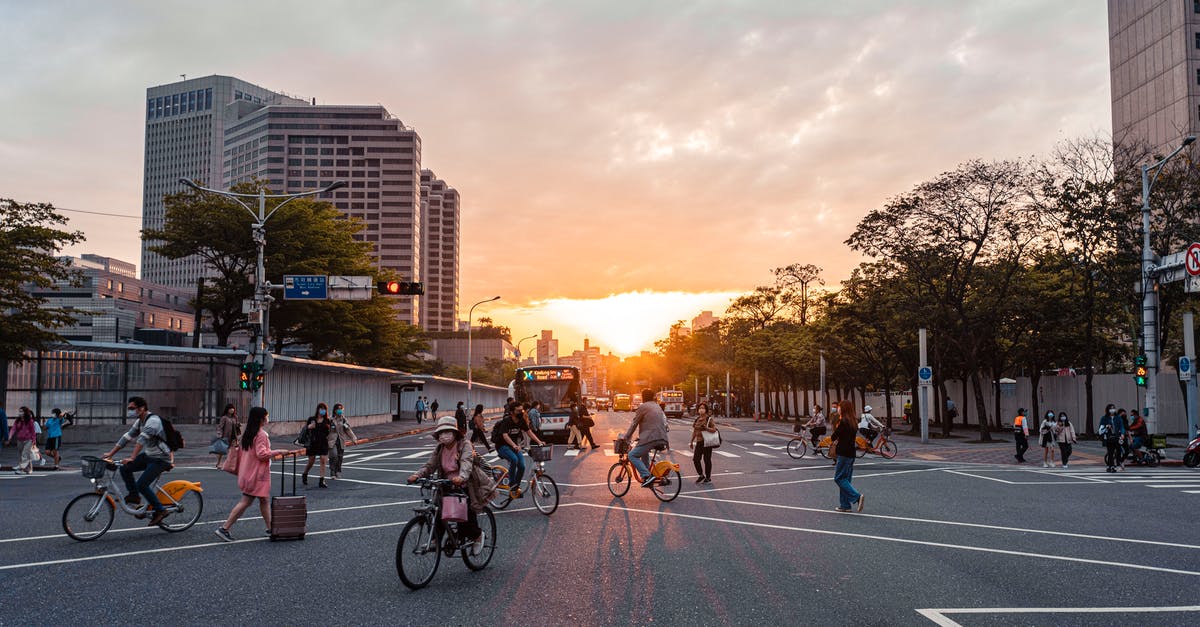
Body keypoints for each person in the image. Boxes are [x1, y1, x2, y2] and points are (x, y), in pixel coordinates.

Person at [407, 417, 492, 555]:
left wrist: (461, 477)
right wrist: (417, 475)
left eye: (447, 431)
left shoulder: (464, 445)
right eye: (441, 432)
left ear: (455, 433)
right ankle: (435, 539)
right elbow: (430, 465)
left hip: (464, 484)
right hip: (445, 483)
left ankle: (477, 536)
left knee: (464, 518)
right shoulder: (440, 448)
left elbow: (466, 462)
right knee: (438, 512)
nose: (444, 435)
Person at [215, 407, 288, 542]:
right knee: (246, 502)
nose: (268, 418)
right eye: (266, 416)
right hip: (256, 475)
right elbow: (262, 454)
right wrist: (279, 452)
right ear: (261, 419)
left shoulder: (248, 433)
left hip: (248, 473)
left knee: (263, 500)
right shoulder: (261, 435)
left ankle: (271, 528)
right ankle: (224, 528)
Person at [102, 397, 174, 526]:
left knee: (142, 484)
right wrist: (110, 454)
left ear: (141, 408)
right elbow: (127, 437)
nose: (129, 411)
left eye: (132, 408)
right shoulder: (140, 420)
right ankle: (134, 496)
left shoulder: (153, 421)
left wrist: (132, 457)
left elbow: (141, 440)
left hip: (161, 459)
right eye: (129, 408)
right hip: (149, 455)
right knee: (125, 468)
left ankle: (161, 510)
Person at [621, 389, 670, 488]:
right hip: (662, 437)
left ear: (643, 397)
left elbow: (634, 423)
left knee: (632, 455)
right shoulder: (657, 406)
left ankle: (646, 476)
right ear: (652, 397)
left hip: (651, 437)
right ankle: (649, 475)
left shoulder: (643, 407)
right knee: (644, 452)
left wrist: (627, 437)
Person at [492, 404, 543, 497]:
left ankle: (516, 486)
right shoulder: (506, 421)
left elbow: (529, 432)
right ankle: (512, 484)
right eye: (518, 411)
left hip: (514, 447)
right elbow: (505, 435)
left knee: (522, 466)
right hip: (502, 446)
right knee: (514, 460)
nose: (521, 413)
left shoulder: (521, 421)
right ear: (512, 412)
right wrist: (514, 445)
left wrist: (539, 441)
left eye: (522, 410)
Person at [832, 399, 864, 512]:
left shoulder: (843, 422)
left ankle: (857, 497)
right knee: (846, 480)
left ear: (843, 409)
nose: (838, 408)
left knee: (839, 478)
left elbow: (834, 436)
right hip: (851, 453)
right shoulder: (853, 422)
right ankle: (845, 505)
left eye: (839, 407)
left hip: (843, 453)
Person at [302, 402, 332, 488]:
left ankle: (322, 480)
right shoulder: (312, 419)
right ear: (318, 409)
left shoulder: (327, 420)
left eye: (324, 409)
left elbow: (330, 432)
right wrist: (309, 427)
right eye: (321, 408)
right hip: (313, 442)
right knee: (311, 461)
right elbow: (305, 430)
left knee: (323, 460)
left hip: (323, 442)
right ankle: (305, 473)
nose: (322, 410)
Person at [328, 403, 357, 480]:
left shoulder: (343, 420)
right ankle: (332, 472)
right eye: (338, 409)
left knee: (340, 457)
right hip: (332, 441)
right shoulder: (330, 420)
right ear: (335, 410)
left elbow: (348, 430)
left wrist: (353, 438)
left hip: (341, 440)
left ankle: (338, 471)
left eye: (341, 409)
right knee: (333, 456)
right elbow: (326, 431)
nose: (340, 410)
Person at [690, 401, 717, 484]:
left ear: (706, 410)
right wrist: (691, 441)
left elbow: (714, 430)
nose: (701, 410)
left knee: (707, 460)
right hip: (699, 442)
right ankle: (701, 475)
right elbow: (695, 431)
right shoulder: (697, 419)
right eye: (700, 408)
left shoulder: (709, 419)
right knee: (696, 459)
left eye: (703, 408)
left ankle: (708, 477)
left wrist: (706, 428)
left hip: (707, 442)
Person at [6, 407, 37, 475]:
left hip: (28, 440)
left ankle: (21, 469)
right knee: (22, 455)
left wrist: (34, 441)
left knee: (24, 454)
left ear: (25, 412)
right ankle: (29, 469)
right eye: (19, 411)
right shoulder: (18, 421)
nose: (20, 413)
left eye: (22, 411)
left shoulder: (30, 421)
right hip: (20, 440)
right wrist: (9, 437)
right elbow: (13, 429)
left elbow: (33, 431)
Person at [1098, 404, 1123, 472]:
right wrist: (1106, 427)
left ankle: (1118, 465)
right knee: (1110, 452)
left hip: (1117, 437)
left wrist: (1122, 434)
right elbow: (1100, 430)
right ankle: (1110, 466)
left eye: (1113, 408)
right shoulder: (1104, 418)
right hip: (1109, 437)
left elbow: (1121, 426)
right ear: (1108, 410)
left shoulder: (1118, 417)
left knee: (1118, 451)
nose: (1112, 410)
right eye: (1111, 408)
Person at [214, 404, 239, 470]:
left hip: (233, 436)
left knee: (233, 451)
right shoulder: (224, 418)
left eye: (233, 408)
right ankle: (218, 463)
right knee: (222, 451)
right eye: (230, 408)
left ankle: (230, 465)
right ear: (227, 410)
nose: (232, 410)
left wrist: (238, 425)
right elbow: (220, 427)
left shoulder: (235, 417)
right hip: (226, 436)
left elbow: (236, 425)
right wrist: (219, 434)